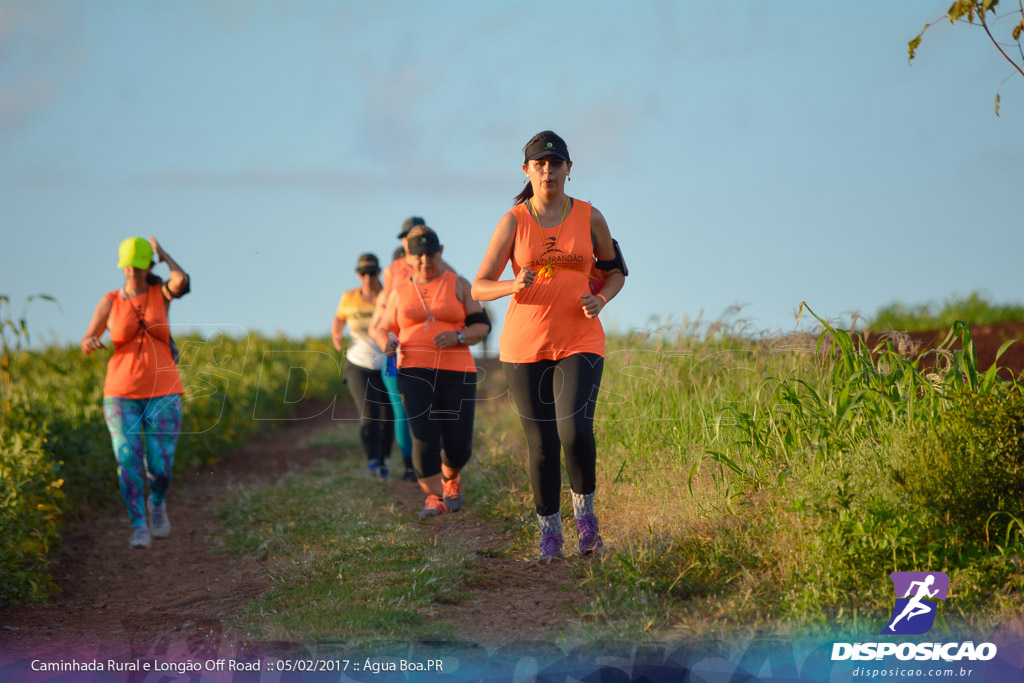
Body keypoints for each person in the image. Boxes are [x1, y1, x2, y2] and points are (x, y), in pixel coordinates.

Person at [472, 130, 627, 562]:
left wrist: (602, 298)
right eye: (539, 164)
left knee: (574, 430)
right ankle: (550, 534)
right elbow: (478, 287)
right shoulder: (513, 221)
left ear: (568, 170)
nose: (548, 170)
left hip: (580, 339)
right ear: (528, 171)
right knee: (541, 444)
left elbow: (616, 271)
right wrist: (510, 284)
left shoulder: (590, 216)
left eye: (555, 164)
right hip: (524, 347)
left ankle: (586, 523)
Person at [372, 225, 491, 517]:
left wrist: (459, 337)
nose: (425, 260)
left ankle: (451, 478)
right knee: (424, 435)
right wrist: (386, 343)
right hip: (414, 370)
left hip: (458, 371)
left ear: (440, 252)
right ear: (410, 259)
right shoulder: (401, 291)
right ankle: (433, 497)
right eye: (419, 255)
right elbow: (382, 327)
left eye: (430, 253)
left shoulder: (459, 284)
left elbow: (482, 325)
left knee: (458, 443)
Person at [81, 236, 191, 549]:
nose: (132, 271)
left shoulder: (161, 293)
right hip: (120, 394)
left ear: (148, 266)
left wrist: (165, 253)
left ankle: (157, 503)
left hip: (164, 391)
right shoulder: (110, 301)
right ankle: (139, 526)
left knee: (160, 466)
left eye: (138, 265)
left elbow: (180, 280)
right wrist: (90, 342)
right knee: (127, 457)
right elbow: (88, 337)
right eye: (127, 266)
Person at [332, 253, 395, 479]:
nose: (367, 278)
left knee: (389, 415)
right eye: (363, 273)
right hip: (358, 363)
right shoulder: (349, 297)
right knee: (370, 414)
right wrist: (336, 334)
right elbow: (339, 317)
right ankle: (373, 462)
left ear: (379, 273)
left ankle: (385, 459)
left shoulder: (388, 296)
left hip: (386, 364)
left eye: (372, 273)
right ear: (358, 275)